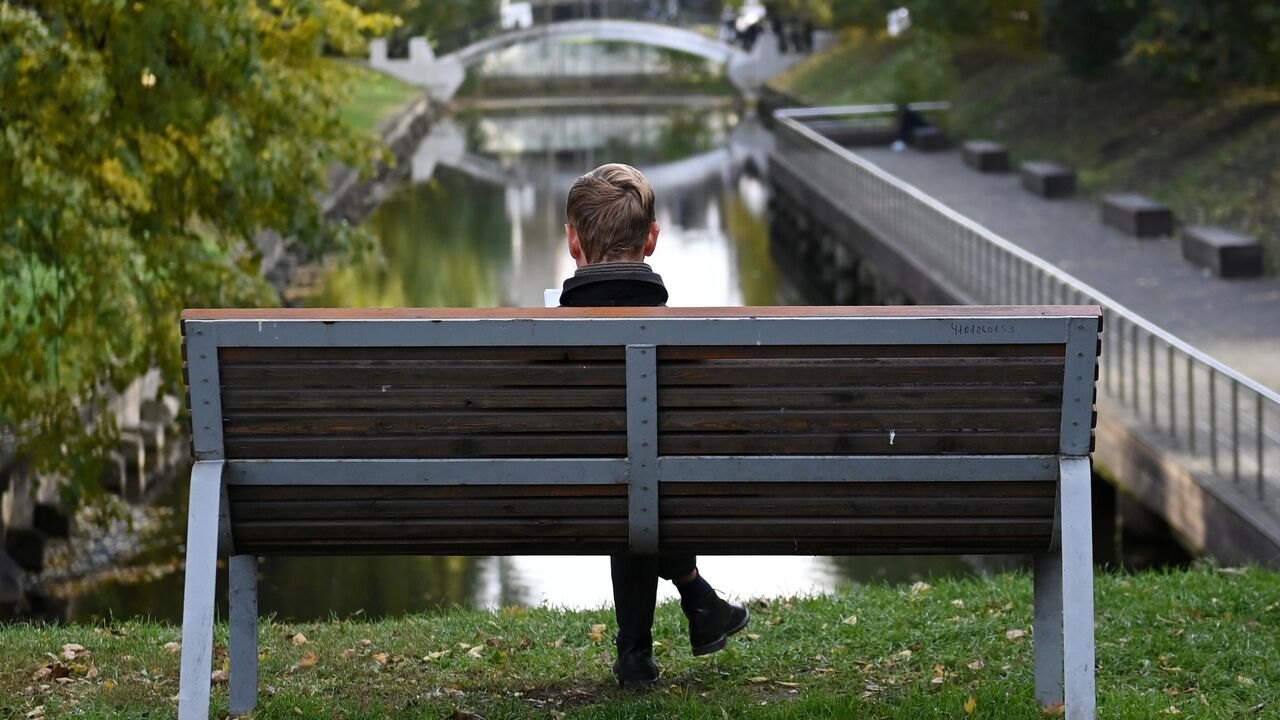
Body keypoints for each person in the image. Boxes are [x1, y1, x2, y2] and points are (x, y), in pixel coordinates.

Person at [559, 164, 750, 690]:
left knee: (628, 485)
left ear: (574, 242)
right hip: (676, 495)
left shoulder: (542, 338)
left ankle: (643, 648)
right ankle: (695, 600)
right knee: (643, 483)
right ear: (653, 238)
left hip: (557, 498)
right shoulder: (690, 336)